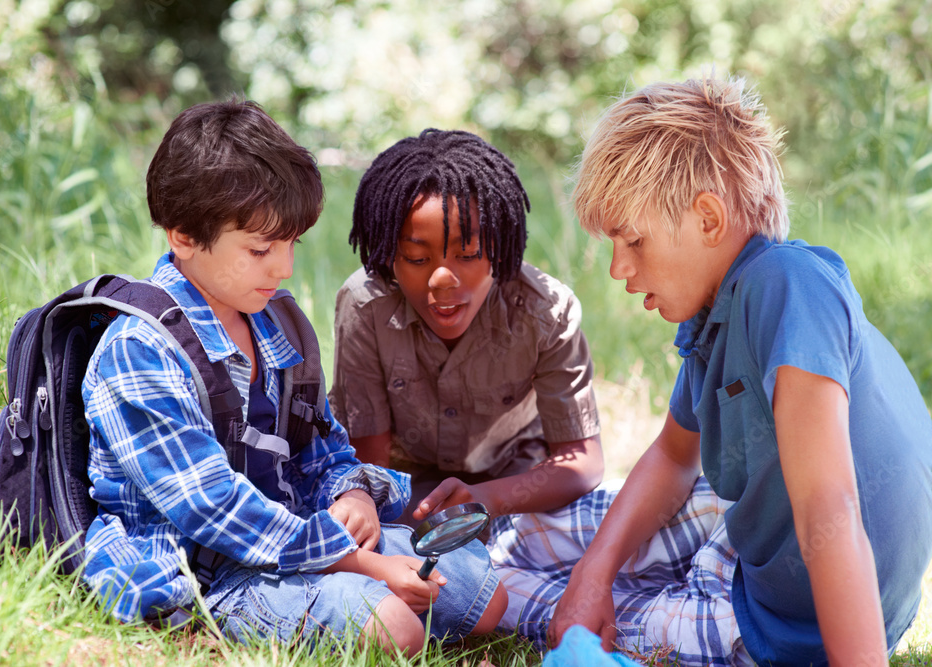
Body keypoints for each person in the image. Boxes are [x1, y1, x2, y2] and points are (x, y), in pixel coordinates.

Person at [493, 75, 932, 666]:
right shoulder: (717, 320)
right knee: (534, 535)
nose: (619, 268)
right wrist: (595, 571)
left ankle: (433, 578)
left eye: (633, 241)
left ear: (707, 218)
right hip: (758, 545)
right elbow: (675, 457)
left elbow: (829, 507)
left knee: (511, 595)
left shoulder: (785, 284)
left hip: (789, 623)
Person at [81, 100, 507, 656]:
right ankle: (344, 607)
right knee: (394, 628)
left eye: (290, 245)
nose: (282, 268)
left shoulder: (277, 321)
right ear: (184, 236)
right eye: (260, 249)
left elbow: (322, 444)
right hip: (211, 572)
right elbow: (212, 510)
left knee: (483, 600)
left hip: (306, 536)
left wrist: (350, 491)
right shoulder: (140, 350)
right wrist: (364, 563)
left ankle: (357, 598)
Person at [327, 128, 605, 528]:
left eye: (469, 253)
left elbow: (581, 458)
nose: (443, 280)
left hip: (519, 484)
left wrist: (486, 499)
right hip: (408, 490)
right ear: (389, 256)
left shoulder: (547, 312)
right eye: (416, 258)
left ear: (500, 245)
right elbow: (370, 465)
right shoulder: (365, 307)